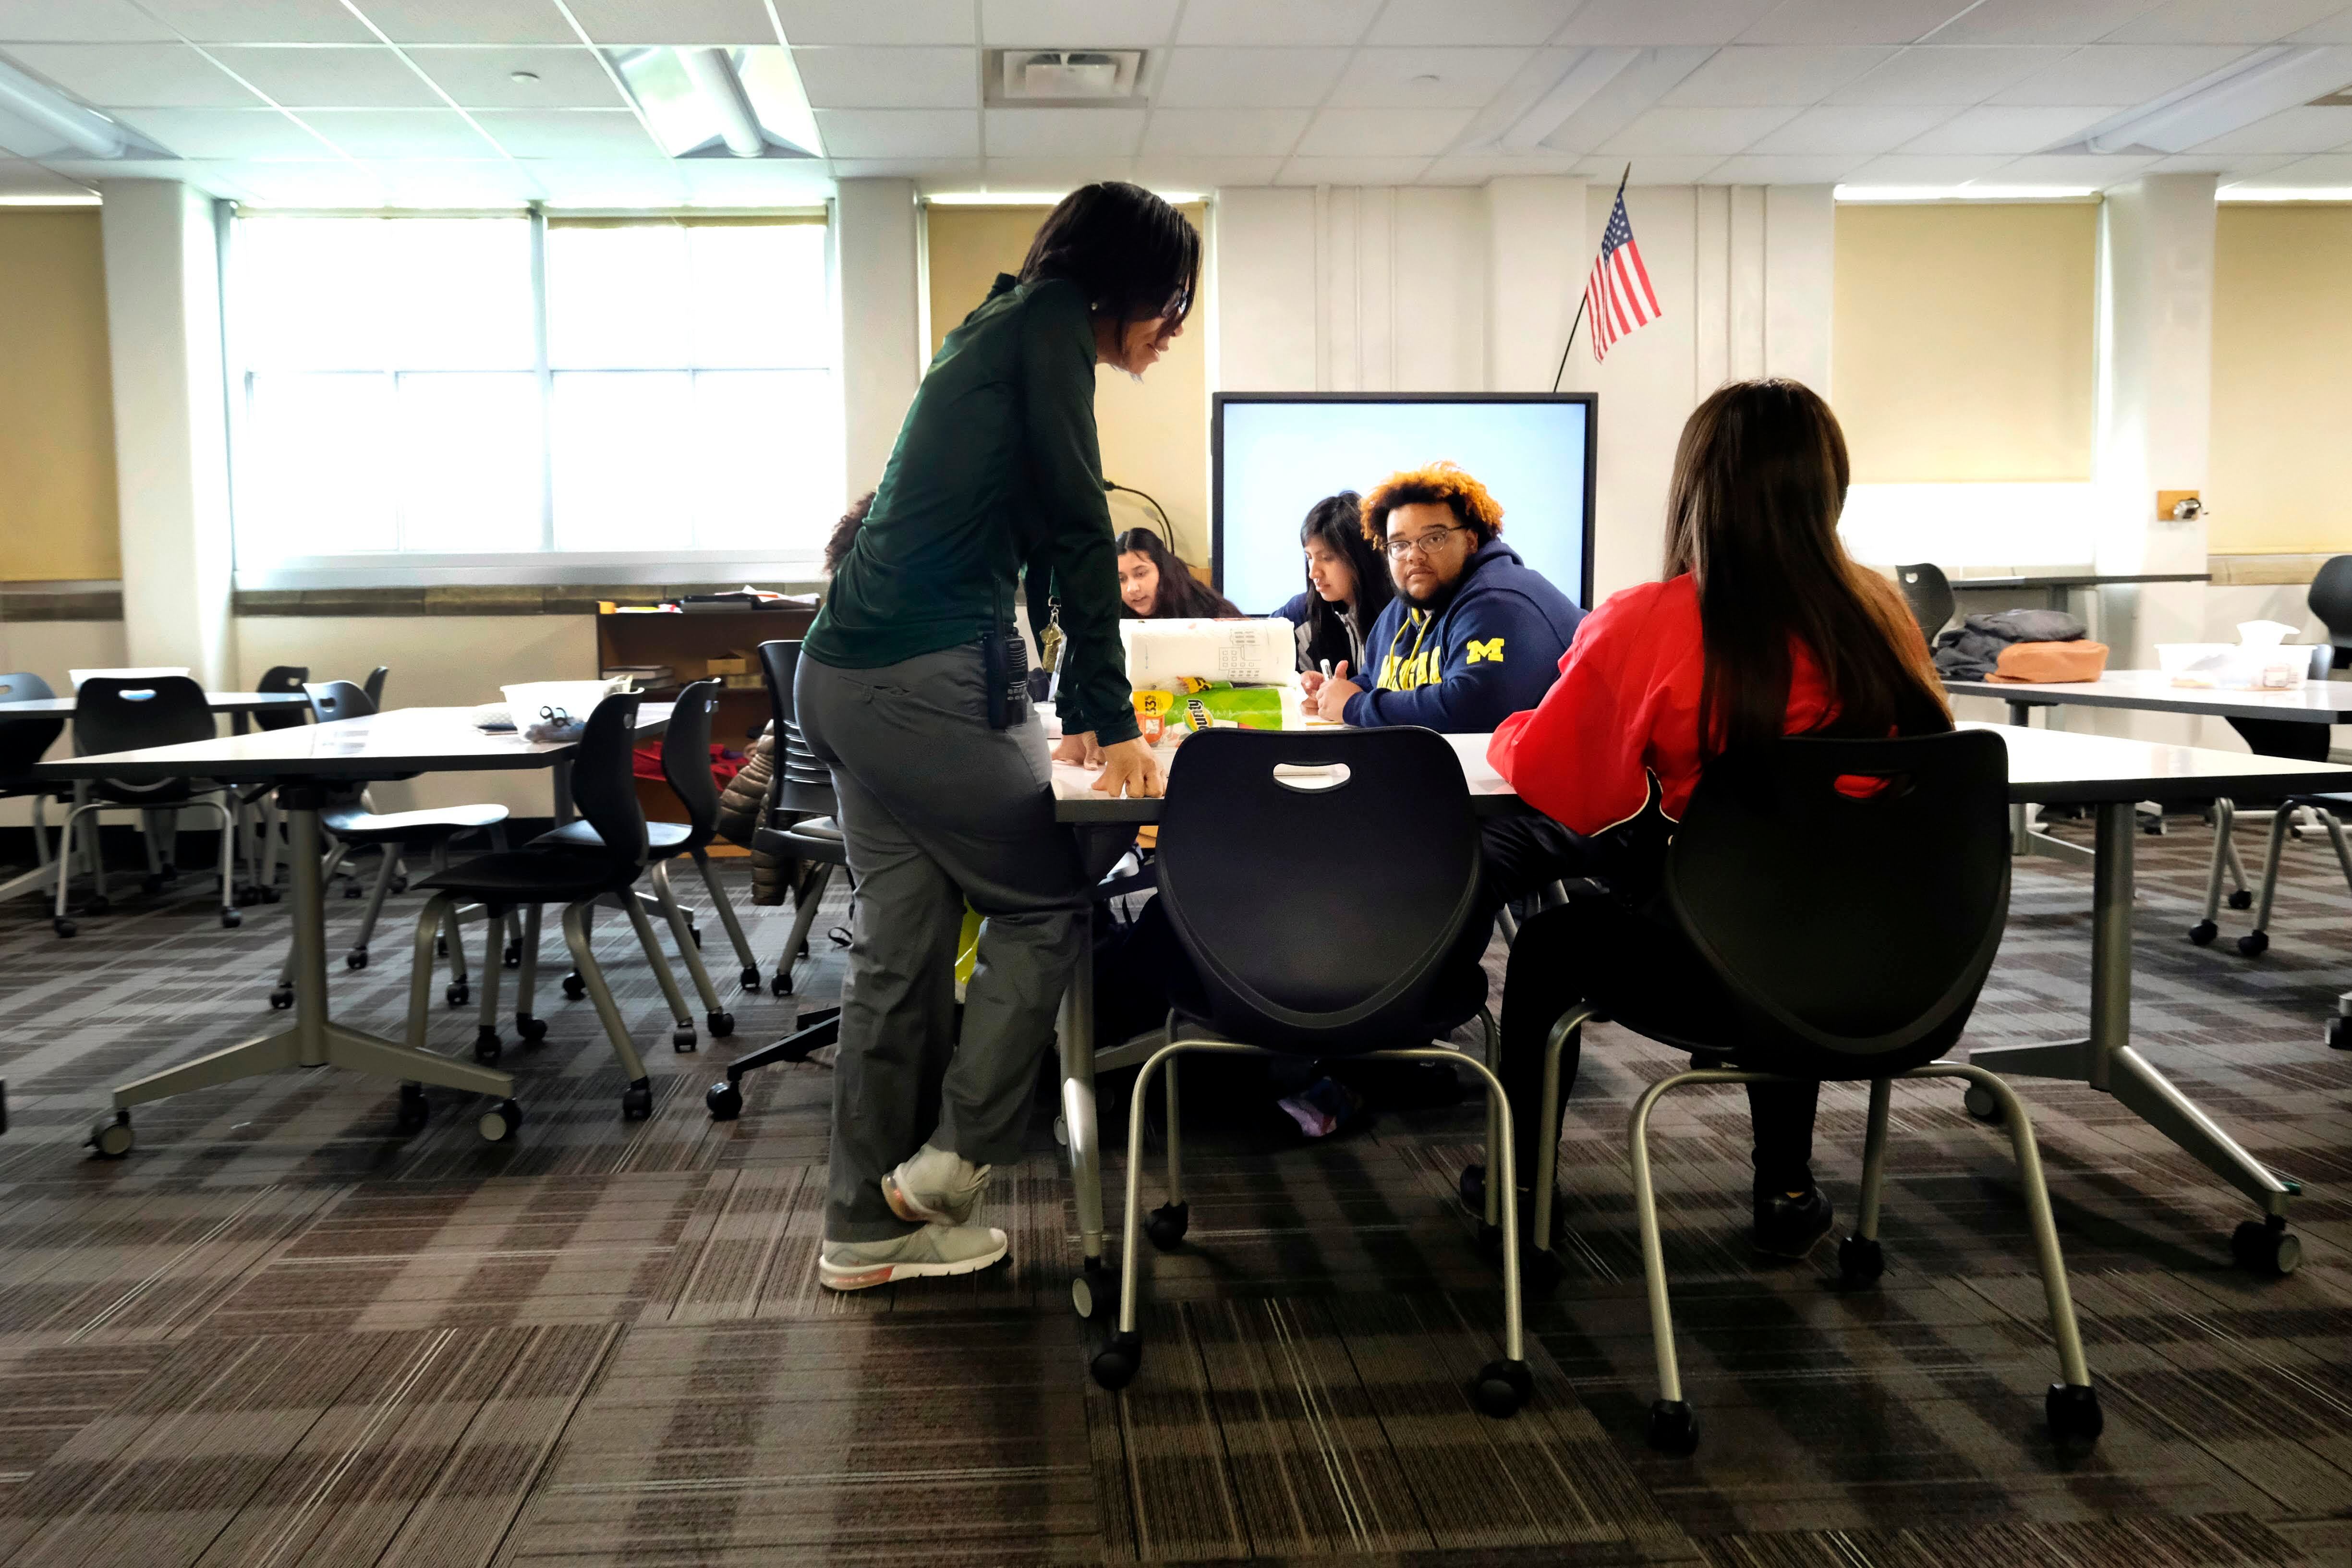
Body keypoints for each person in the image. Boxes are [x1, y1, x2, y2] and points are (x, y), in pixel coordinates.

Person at [795, 183, 1196, 1291]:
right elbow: (1078, 527)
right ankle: (955, 1166)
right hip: (907, 684)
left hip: (846, 675)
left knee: (903, 951)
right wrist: (1109, 721)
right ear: (1134, 285)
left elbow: (1005, 555)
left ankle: (862, 1227)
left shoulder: (998, 324)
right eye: (1173, 307)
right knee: (1045, 904)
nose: (1171, 334)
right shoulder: (1047, 330)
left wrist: (1036, 710)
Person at [1485, 378, 1952, 1258]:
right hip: (1897, 953)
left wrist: (1515, 729)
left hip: (1724, 959)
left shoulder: (1652, 619)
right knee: (1788, 885)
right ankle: (1783, 1184)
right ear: (1829, 487)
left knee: (1553, 944)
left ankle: (1520, 1188)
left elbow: (1565, 786)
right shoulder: (1882, 612)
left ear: (1694, 488)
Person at [1303, 463, 1584, 732]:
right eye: (1399, 545)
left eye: (1434, 538)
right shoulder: (1402, 609)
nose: (1414, 555)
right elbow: (1376, 678)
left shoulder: (1500, 602)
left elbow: (1473, 706)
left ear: (1471, 540)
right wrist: (1336, 693)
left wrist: (1356, 705)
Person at [1273, 491, 1392, 674]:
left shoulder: (1398, 615)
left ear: (1361, 557)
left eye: (1327, 558)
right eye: (1309, 558)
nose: (1313, 573)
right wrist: (1300, 686)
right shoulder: (1300, 614)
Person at [1115, 527, 1240, 619]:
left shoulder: (1213, 614)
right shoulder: (1112, 619)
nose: (1132, 589)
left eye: (1141, 574)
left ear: (1163, 569)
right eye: (1121, 579)